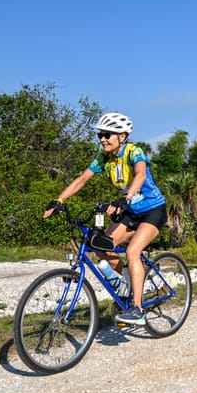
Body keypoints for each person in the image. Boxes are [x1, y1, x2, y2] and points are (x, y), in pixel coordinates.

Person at [43, 112, 167, 326]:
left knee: (132, 252)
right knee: (101, 246)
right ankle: (125, 289)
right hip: (129, 212)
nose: (102, 139)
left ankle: (137, 309)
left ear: (123, 136)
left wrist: (125, 198)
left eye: (107, 134)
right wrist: (59, 200)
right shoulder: (104, 158)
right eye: (100, 134)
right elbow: (82, 180)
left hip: (152, 210)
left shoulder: (133, 152)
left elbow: (140, 175)